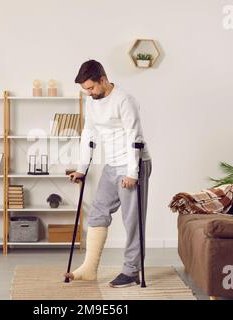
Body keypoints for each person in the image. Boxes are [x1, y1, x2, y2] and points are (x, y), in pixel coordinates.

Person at [64, 60, 152, 288]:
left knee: (132, 221)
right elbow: (88, 133)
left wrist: (133, 173)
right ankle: (89, 269)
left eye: (92, 88)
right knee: (97, 212)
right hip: (112, 166)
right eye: (85, 89)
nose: (89, 93)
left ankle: (132, 271)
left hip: (134, 164)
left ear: (103, 79)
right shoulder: (92, 102)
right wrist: (82, 169)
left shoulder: (125, 100)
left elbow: (135, 137)